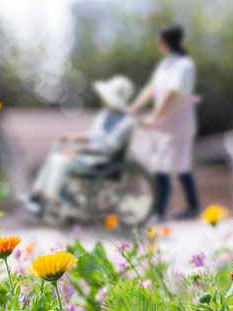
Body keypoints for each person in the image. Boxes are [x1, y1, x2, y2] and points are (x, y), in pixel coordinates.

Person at [22, 76, 135, 215]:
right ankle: (37, 196)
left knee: (61, 162)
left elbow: (109, 147)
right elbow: (95, 135)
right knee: (54, 158)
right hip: (90, 157)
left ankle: (50, 202)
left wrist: (80, 149)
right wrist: (74, 137)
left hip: (102, 162)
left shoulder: (126, 123)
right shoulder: (105, 115)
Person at [129, 24, 200, 222]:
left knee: (170, 165)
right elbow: (152, 89)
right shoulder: (167, 63)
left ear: (166, 40)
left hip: (179, 121)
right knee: (173, 165)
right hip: (166, 122)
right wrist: (132, 109)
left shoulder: (184, 65)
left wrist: (154, 116)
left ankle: (160, 212)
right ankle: (191, 207)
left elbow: (171, 93)